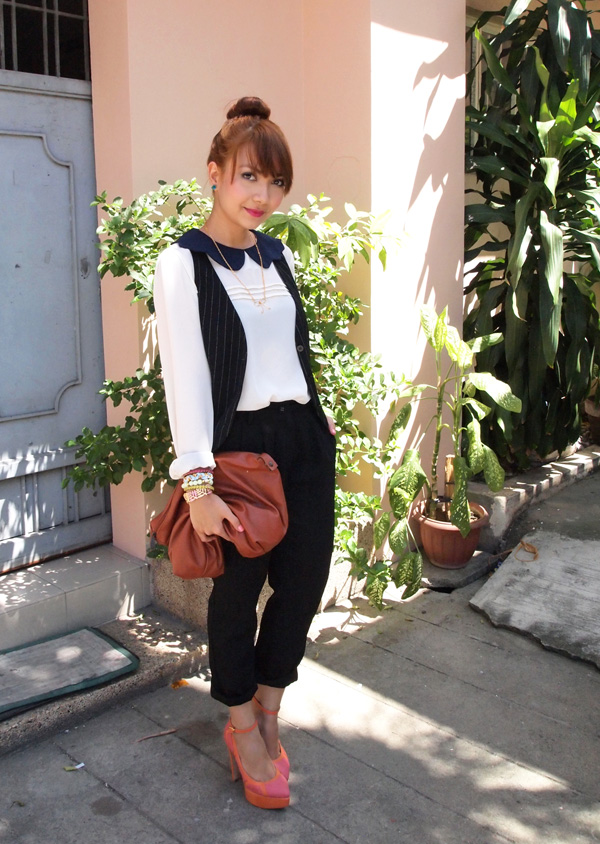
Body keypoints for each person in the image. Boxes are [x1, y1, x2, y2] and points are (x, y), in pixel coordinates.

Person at [153, 96, 336, 810]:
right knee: (236, 596)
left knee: (304, 583)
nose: (263, 195)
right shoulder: (183, 264)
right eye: (250, 176)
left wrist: (317, 417)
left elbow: (291, 348)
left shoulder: (276, 253)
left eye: (276, 182)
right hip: (237, 452)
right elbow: (185, 377)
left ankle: (269, 707)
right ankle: (238, 725)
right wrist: (197, 483)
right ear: (215, 172)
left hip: (302, 440)